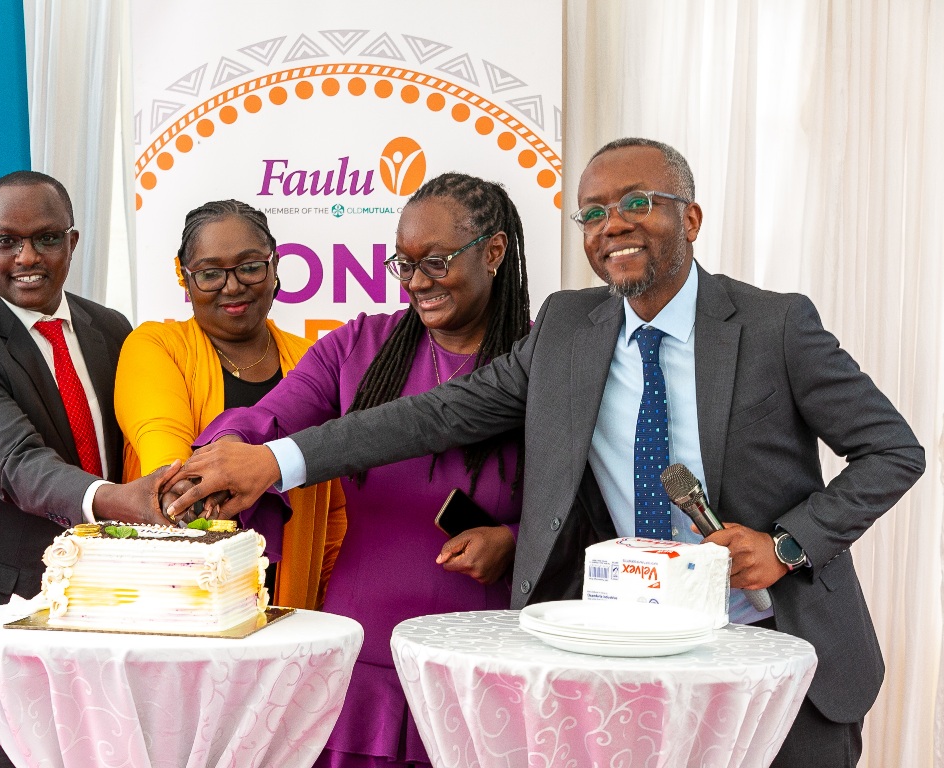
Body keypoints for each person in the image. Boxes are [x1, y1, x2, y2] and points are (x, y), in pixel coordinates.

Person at [171, 141, 925, 768]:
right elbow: (436, 414)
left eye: (637, 203)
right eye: (592, 213)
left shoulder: (775, 325)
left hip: (775, 648)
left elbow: (892, 450)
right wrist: (275, 462)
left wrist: (788, 545)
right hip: (626, 658)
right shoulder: (569, 329)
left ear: (690, 217)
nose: (612, 225)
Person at [186, 173, 534, 768]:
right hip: (364, 649)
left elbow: (584, 505)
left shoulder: (538, 363)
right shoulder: (360, 346)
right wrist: (214, 462)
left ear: (494, 252)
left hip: (487, 653)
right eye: (405, 264)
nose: (419, 282)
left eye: (438, 261)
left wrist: (515, 541)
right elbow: (266, 421)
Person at [0, 171, 179, 768]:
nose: (26, 257)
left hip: (89, 618)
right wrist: (127, 502)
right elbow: (19, 465)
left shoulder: (112, 330)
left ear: (73, 242)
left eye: (46, 239)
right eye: (6, 241)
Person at [113, 199, 345, 609]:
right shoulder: (155, 346)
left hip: (288, 608)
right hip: (176, 598)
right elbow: (162, 447)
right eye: (210, 274)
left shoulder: (314, 360)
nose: (233, 286)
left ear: (275, 267)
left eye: (250, 267)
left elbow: (333, 510)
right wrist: (178, 490)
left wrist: (320, 605)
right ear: (184, 278)